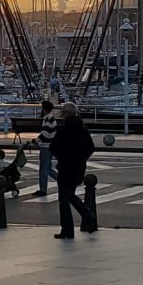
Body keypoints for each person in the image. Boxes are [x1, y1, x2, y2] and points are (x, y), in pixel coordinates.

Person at [49, 102, 96, 238]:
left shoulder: (64, 129)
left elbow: (54, 147)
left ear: (67, 114)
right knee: (70, 194)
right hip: (78, 168)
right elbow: (91, 148)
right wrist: (81, 159)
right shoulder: (83, 129)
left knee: (64, 200)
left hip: (65, 168)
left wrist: (62, 158)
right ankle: (87, 215)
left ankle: (68, 229)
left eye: (63, 113)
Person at [28, 100, 58, 196]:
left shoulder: (48, 119)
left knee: (43, 169)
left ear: (44, 109)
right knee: (48, 169)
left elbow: (45, 134)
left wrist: (34, 141)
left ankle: (43, 189)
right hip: (51, 146)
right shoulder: (50, 118)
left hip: (46, 147)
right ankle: (63, 181)